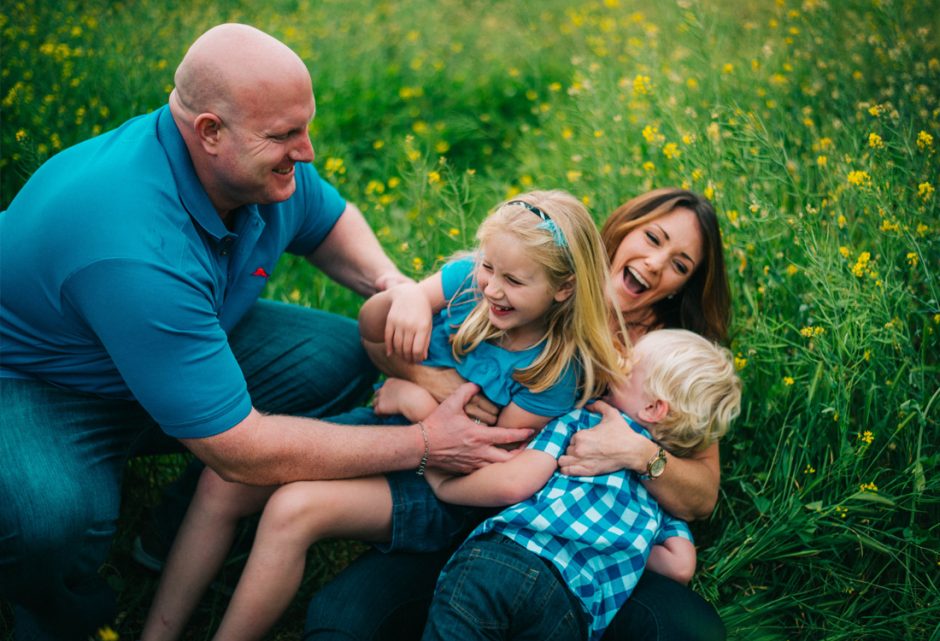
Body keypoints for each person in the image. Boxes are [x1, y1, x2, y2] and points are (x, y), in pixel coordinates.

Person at [0, 23, 529, 641]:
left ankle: (172, 529)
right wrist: (425, 444)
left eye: (304, 127)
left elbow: (330, 221)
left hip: (177, 339)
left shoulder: (251, 163)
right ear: (209, 131)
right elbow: (240, 448)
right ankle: (63, 619)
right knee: (47, 519)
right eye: (284, 136)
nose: (305, 152)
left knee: (337, 354)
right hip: (44, 382)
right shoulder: (135, 246)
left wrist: (398, 288)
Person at [141, 190, 627, 641]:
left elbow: (487, 453)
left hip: (443, 486)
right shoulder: (466, 287)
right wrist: (411, 298)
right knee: (221, 482)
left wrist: (412, 398)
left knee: (292, 509)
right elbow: (373, 331)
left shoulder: (554, 369)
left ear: (564, 289)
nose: (492, 288)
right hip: (388, 432)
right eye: (488, 267)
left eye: (514, 281)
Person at [305, 188, 732, 641]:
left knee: (689, 632)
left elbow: (701, 496)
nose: (655, 263)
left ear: (684, 285)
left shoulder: (669, 356)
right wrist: (432, 385)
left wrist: (641, 453)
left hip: (572, 546)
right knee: (340, 624)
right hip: (475, 498)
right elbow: (395, 343)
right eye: (652, 238)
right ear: (623, 228)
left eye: (680, 264)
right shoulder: (534, 285)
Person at [420, 328, 742, 641]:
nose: (616, 363)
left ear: (653, 408)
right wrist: (622, 547)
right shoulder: (664, 496)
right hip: (571, 610)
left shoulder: (584, 421)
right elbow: (681, 566)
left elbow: (515, 482)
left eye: (628, 365)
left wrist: (445, 487)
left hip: (508, 560)